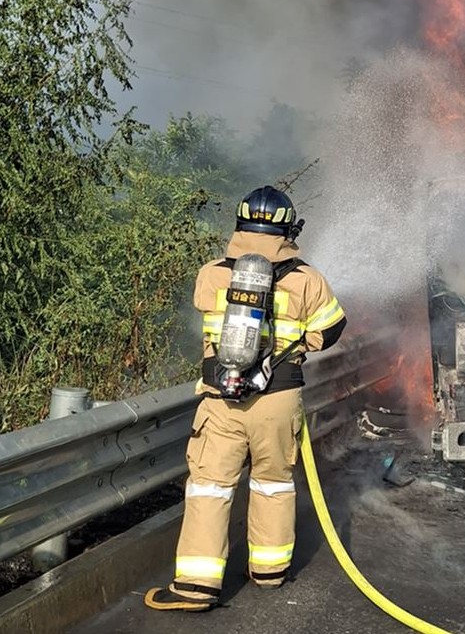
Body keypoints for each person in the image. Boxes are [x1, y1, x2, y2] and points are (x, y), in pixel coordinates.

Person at [145, 186, 347, 612]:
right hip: (277, 398)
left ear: (240, 225)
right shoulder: (306, 277)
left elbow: (204, 312)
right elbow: (333, 328)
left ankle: (196, 587)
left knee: (209, 488)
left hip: (221, 399)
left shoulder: (212, 273)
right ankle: (269, 570)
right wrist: (303, 339)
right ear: (288, 227)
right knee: (272, 482)